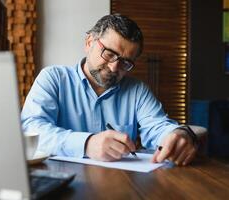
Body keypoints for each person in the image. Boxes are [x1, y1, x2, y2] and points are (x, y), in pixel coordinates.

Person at [21, 14, 198, 166]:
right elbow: (31, 129)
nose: (114, 68)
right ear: (89, 42)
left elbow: (158, 127)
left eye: (125, 62)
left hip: (121, 186)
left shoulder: (137, 91)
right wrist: (87, 144)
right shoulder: (54, 78)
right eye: (109, 53)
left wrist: (179, 134)